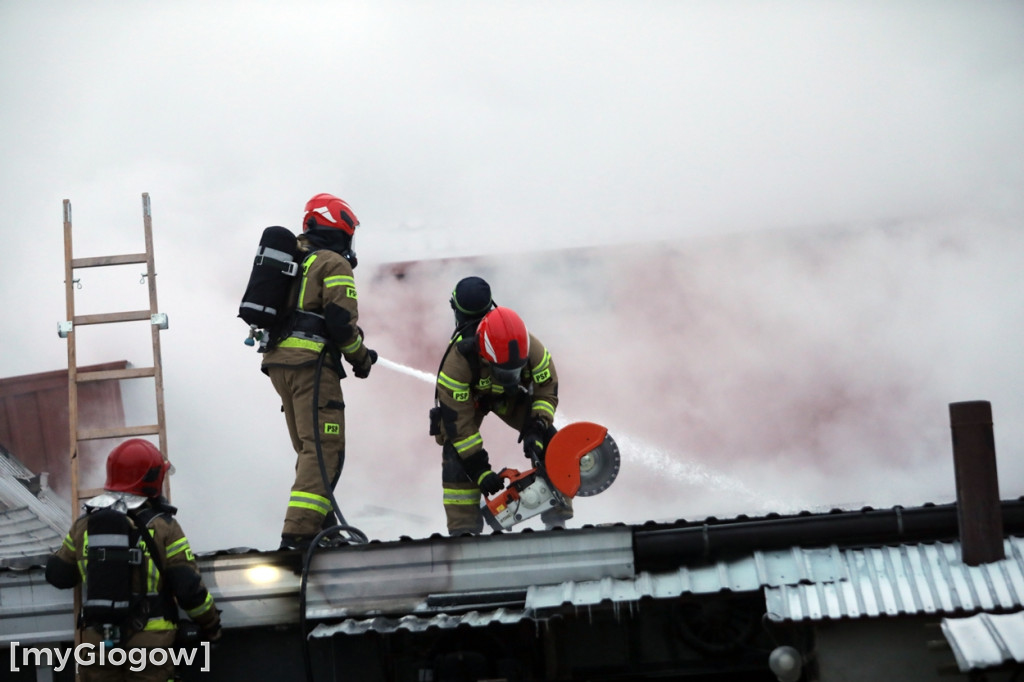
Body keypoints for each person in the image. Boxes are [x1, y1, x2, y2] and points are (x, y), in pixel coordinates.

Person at [45, 439, 221, 682]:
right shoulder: (164, 526)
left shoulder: (85, 524)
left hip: (98, 642)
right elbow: (189, 589)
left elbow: (58, 576)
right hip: (150, 643)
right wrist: (211, 626)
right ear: (152, 479)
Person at [261, 193, 377, 551]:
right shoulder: (332, 263)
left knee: (308, 450)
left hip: (280, 364)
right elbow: (341, 323)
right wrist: (361, 358)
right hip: (311, 367)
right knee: (325, 450)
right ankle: (297, 536)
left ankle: (323, 528)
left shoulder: (295, 259)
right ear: (340, 229)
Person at [432, 304, 572, 535]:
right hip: (472, 400)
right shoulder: (457, 365)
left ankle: (557, 519)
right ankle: (464, 530)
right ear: (484, 355)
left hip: (511, 396)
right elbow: (459, 427)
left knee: (551, 442)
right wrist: (480, 471)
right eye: (503, 371)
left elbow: (546, 392)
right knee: (455, 453)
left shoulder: (534, 350)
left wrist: (536, 427)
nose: (510, 376)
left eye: (514, 370)